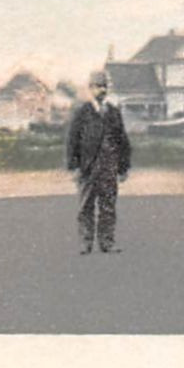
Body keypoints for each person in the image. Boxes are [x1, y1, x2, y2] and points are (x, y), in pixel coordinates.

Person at [66, 70, 131, 254]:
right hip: (88, 168)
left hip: (109, 168)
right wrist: (74, 167)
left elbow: (123, 141)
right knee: (85, 207)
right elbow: (72, 141)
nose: (102, 90)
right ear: (90, 88)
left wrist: (124, 167)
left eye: (104, 86)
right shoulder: (82, 112)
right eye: (98, 86)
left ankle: (107, 243)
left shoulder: (114, 112)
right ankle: (85, 244)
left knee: (108, 207)